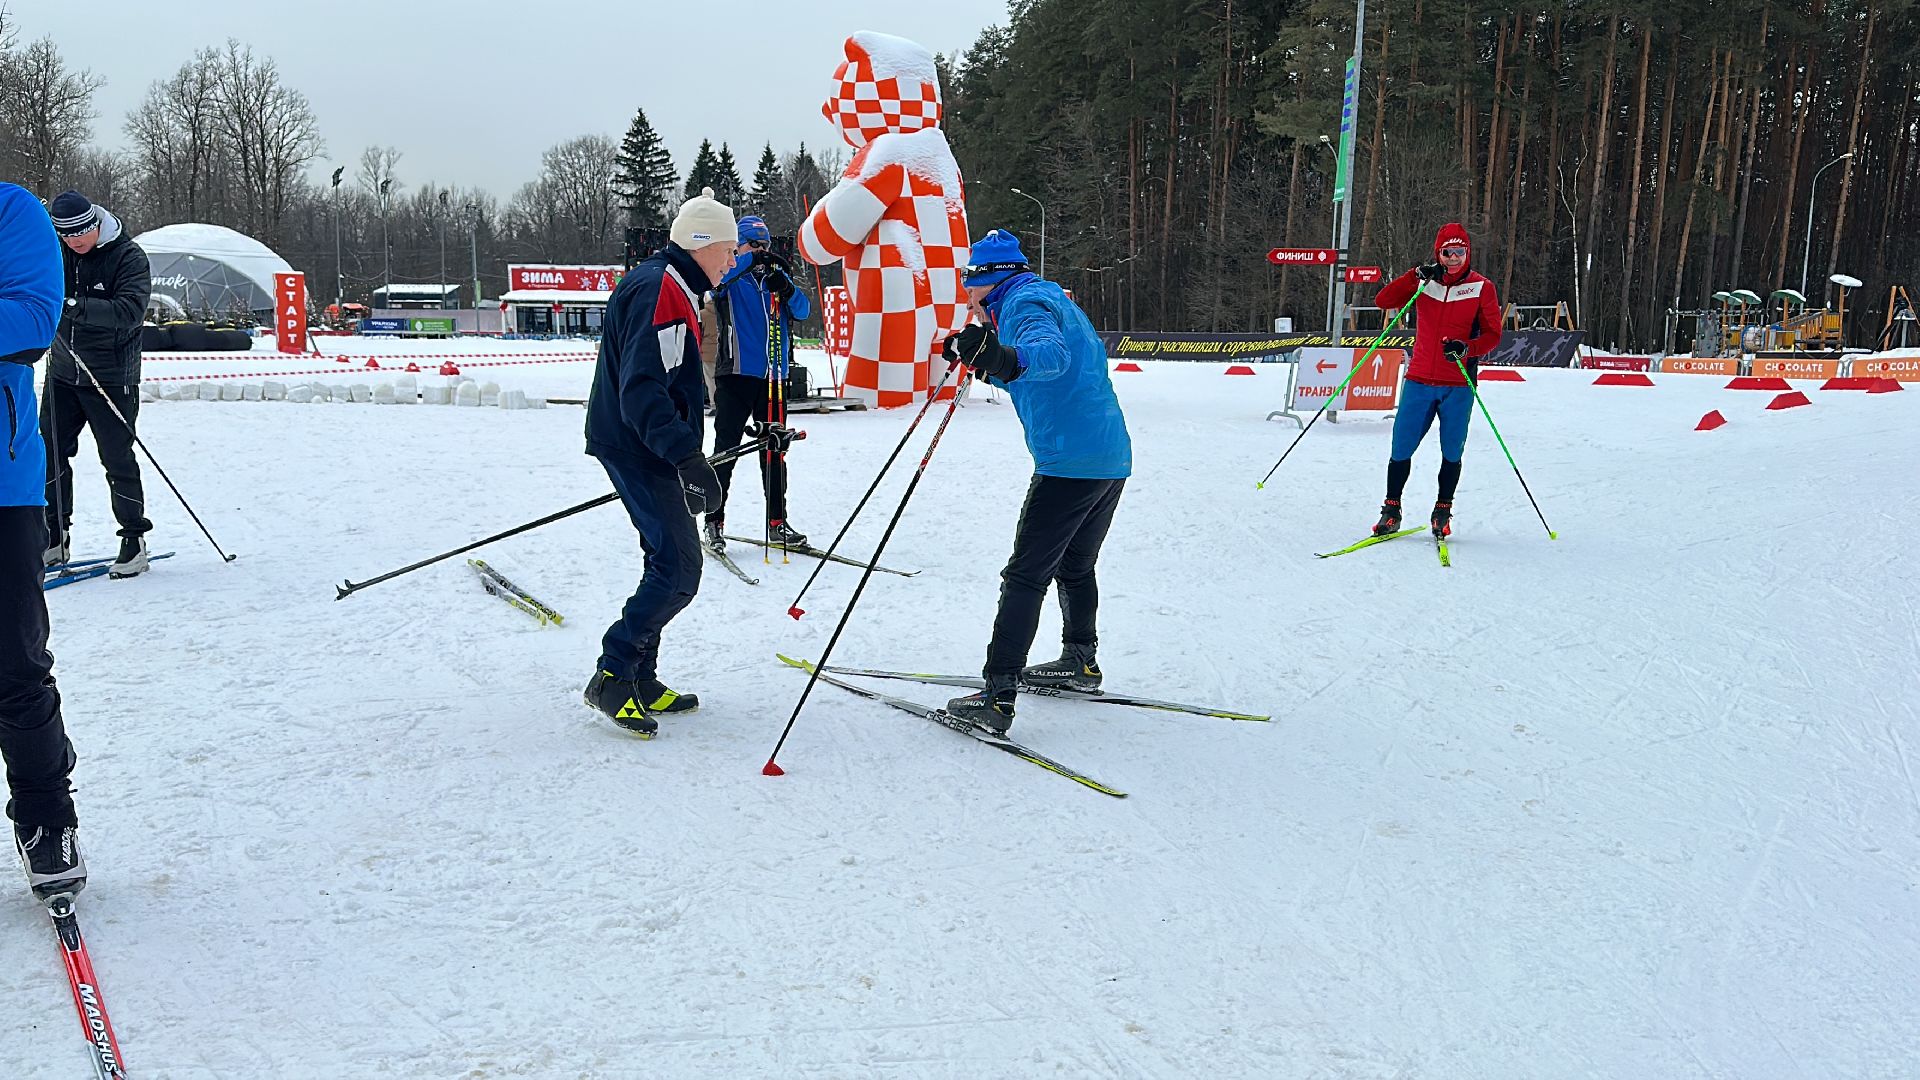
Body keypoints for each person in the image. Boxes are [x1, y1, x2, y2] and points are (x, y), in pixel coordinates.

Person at [938, 230, 1132, 735]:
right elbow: (1030, 368)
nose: (967, 297)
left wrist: (1000, 357)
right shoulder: (1043, 294)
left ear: (988, 279)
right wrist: (985, 362)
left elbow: (1048, 358)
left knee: (1025, 576)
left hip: (1070, 463)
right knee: (1075, 565)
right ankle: (1080, 661)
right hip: (1107, 456)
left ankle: (997, 694)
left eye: (968, 284)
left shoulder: (1024, 303)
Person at [581, 188, 738, 737]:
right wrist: (687, 457)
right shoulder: (661, 290)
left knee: (665, 561)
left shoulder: (671, 283)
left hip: (644, 443)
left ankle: (641, 675)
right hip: (638, 446)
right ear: (701, 244)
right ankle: (613, 673)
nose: (733, 259)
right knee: (678, 570)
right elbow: (643, 391)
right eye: (728, 248)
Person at [1, 183, 88, 898]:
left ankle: (45, 815)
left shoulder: (12, 211)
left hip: (1, 484)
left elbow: (33, 320)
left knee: (13, 663)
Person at [1368, 222, 1503, 539]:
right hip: (1418, 380)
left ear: (1467, 253)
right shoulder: (1424, 283)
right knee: (1401, 446)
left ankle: (1443, 509)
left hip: (1457, 384)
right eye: (1447, 252)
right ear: (1438, 254)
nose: (1453, 258)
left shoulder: (1482, 287)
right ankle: (1391, 510)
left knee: (1452, 450)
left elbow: (1493, 335)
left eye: (1459, 252)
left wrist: (1467, 348)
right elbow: (1383, 301)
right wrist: (1415, 275)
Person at [44, 190, 153, 577]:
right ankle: (54, 536)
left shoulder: (127, 256)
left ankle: (134, 539)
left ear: (95, 223)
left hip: (110, 375)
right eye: (66, 234)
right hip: (63, 372)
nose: (75, 240)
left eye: (80, 232)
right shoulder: (57, 252)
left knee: (117, 460)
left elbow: (130, 312)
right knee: (49, 454)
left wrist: (70, 306)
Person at [706, 215, 813, 553]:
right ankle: (714, 521)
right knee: (726, 452)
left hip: (773, 378)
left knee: (774, 451)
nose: (761, 252)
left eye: (765, 245)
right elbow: (716, 285)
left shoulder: (773, 282)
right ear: (736, 247)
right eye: (753, 244)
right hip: (736, 374)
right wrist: (753, 258)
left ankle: (777, 522)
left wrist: (788, 286)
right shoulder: (730, 277)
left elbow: (804, 310)